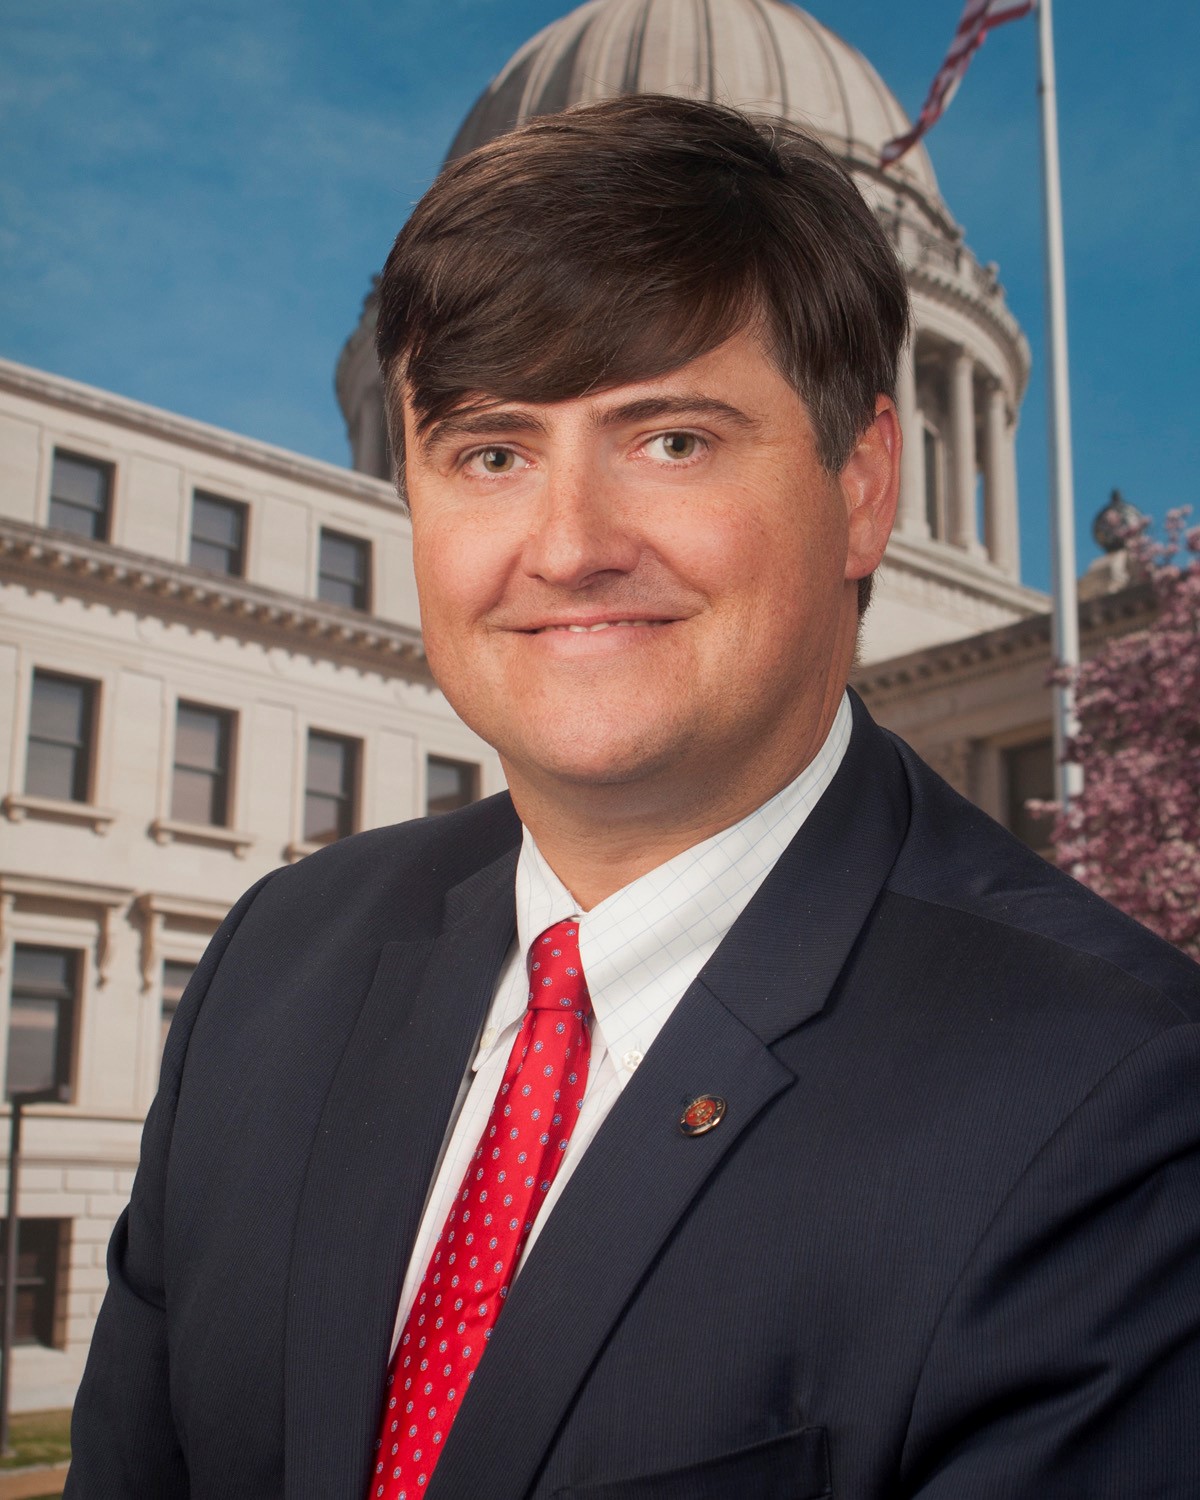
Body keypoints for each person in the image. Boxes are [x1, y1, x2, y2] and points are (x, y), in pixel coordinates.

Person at [67, 95, 1200, 1500]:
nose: (569, 548)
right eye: (492, 451)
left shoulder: (1117, 1100)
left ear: (861, 479)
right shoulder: (273, 966)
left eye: (671, 439)